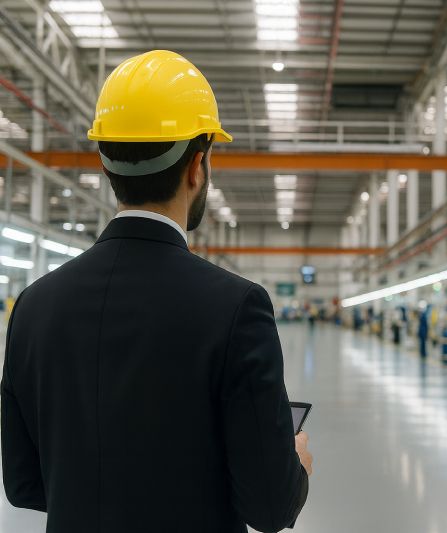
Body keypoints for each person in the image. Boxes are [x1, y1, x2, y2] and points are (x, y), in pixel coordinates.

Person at [1, 50, 311, 533]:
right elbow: (270, 507)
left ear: (107, 165)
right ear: (197, 167)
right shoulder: (236, 308)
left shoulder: (35, 305)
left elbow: (24, 484)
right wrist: (297, 465)